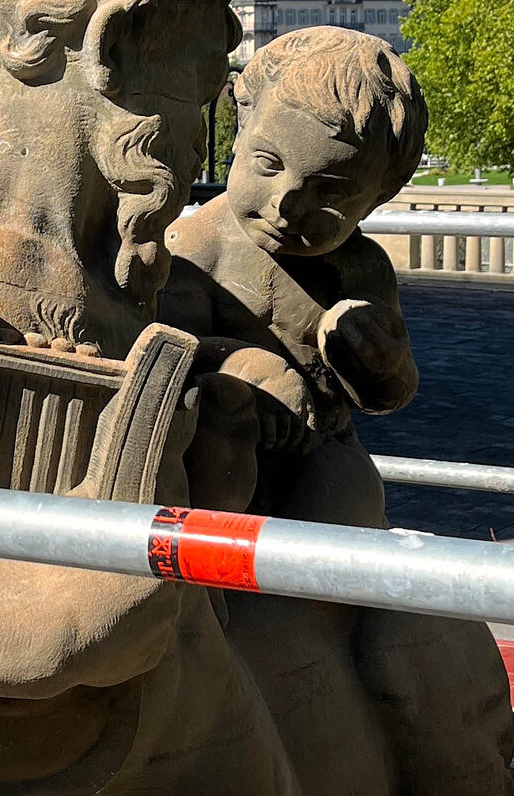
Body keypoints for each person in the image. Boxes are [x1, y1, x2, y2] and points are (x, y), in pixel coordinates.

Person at [162, 27, 426, 524]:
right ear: (241, 129)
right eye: (269, 164)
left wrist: (381, 364)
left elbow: (392, 392)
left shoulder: (360, 267)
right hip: (217, 449)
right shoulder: (196, 248)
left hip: (321, 452)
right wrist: (246, 365)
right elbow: (169, 352)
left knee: (347, 503)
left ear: (378, 197)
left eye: (331, 191)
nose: (287, 205)